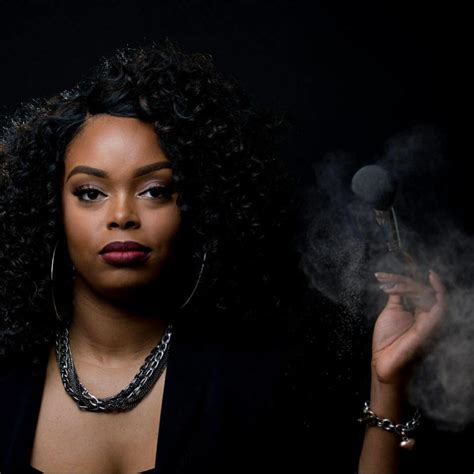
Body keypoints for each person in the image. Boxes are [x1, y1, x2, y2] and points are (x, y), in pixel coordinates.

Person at [0, 39, 447, 473]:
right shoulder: (7, 377)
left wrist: (388, 384)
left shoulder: (258, 379)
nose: (121, 216)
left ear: (197, 206)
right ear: (50, 208)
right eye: (90, 192)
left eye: (155, 190)